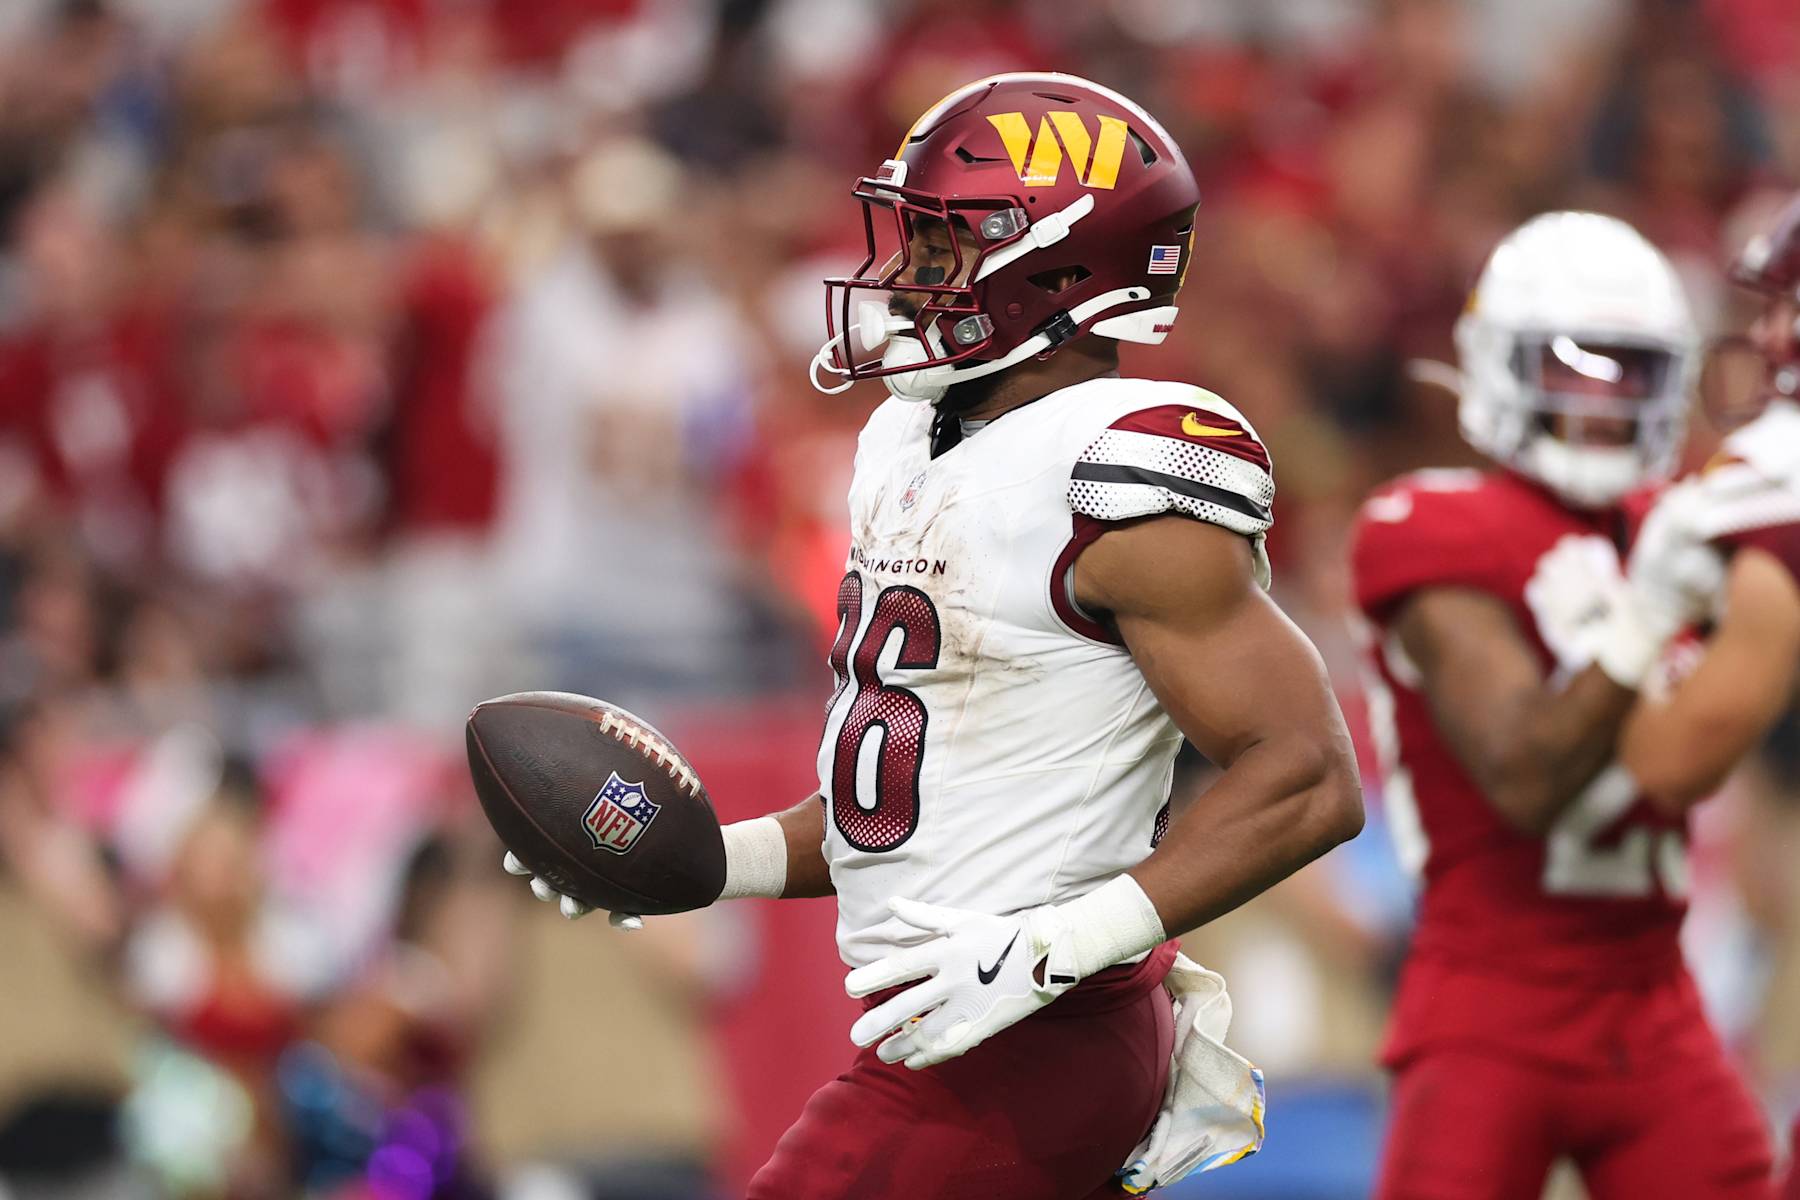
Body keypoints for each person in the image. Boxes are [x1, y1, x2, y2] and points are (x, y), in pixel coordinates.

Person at [498, 72, 1364, 1200]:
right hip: (989, 1035)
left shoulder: (1120, 468)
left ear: (1054, 267)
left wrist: (1057, 942)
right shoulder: (910, 443)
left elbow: (1309, 776)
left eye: (944, 249)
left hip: (1034, 1040)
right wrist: (719, 863)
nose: (906, 277)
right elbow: (901, 802)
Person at [1350, 210, 1775, 1200]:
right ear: (1500, 364)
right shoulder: (1435, 526)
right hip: (1492, 1006)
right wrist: (1652, 613)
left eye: (1631, 370)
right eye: (1573, 365)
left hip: (1657, 1002)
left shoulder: (1678, 526)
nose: (1604, 400)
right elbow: (1525, 778)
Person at [1610, 190, 1800, 1200]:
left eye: (1790, 307)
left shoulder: (1775, 506)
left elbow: (1668, 759)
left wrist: (1633, 630)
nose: (1772, 337)